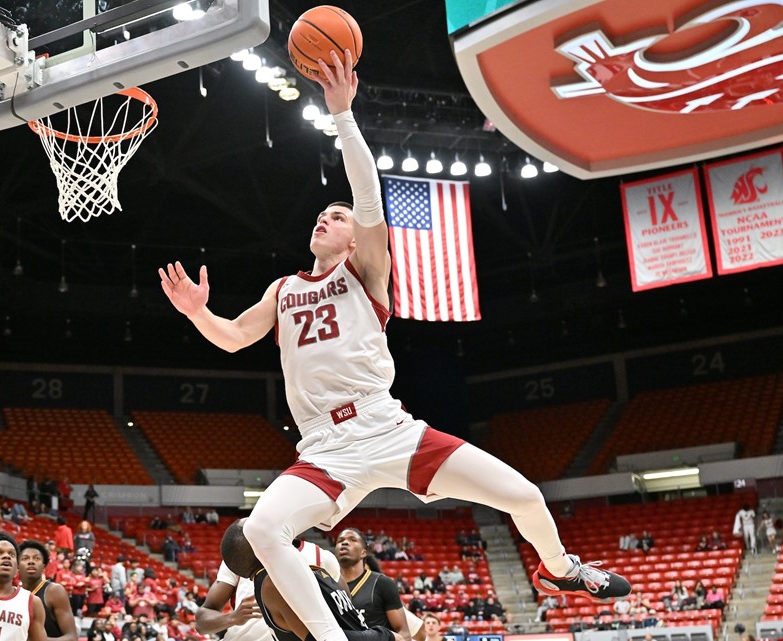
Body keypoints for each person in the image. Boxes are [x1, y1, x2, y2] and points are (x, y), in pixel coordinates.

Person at [158, 48, 630, 641]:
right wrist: (201, 313)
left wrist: (343, 116)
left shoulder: (365, 272)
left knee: (525, 495)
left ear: (356, 241)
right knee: (263, 531)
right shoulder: (282, 290)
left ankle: (562, 570)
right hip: (326, 446)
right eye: (323, 213)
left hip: (389, 430)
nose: (327, 218)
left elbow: (369, 198)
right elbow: (231, 340)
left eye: (338, 216)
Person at [219, 521, 413, 641]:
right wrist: (384, 636)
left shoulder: (285, 569)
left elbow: (345, 612)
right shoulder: (273, 582)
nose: (261, 522)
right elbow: (319, 637)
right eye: (254, 525)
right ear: (256, 544)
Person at [198, 524, 343, 641]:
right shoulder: (242, 556)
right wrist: (232, 617)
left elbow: (344, 609)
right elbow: (201, 621)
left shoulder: (321, 557)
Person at [334, 528, 416, 635]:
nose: (344, 542)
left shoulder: (382, 583)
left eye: (352, 540)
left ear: (363, 553)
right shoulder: (327, 584)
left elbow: (403, 631)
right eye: (340, 541)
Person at [19, 539, 77, 641]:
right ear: (17, 565)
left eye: (37, 558)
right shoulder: (15, 593)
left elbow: (72, 637)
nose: (31, 561)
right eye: (25, 558)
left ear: (44, 566)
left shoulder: (54, 591)